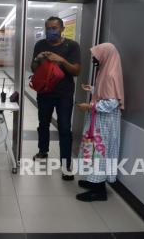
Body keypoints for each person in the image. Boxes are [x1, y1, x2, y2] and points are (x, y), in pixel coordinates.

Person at [31, 16, 81, 181]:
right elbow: (33, 68)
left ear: (62, 29)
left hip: (64, 95)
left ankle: (66, 165)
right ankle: (43, 150)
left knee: (65, 128)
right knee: (43, 124)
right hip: (44, 92)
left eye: (54, 28)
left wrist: (61, 60)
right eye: (48, 28)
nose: (51, 31)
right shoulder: (40, 44)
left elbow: (76, 71)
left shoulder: (72, 46)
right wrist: (38, 59)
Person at [76, 42, 124, 202]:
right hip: (99, 119)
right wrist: (92, 89)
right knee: (94, 149)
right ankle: (93, 181)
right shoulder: (106, 70)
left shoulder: (110, 74)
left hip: (105, 121)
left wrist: (89, 106)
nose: (94, 60)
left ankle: (98, 190)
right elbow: (105, 92)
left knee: (99, 152)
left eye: (96, 56)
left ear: (106, 55)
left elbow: (112, 102)